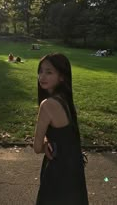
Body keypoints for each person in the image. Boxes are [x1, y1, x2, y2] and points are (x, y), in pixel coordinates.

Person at [34, 53, 88, 205]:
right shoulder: (66, 100)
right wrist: (47, 141)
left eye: (49, 72)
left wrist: (44, 144)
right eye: (41, 71)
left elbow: (37, 147)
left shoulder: (48, 104)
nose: (42, 76)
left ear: (62, 77)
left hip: (57, 170)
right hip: (73, 168)